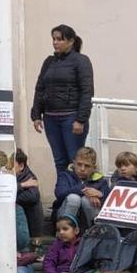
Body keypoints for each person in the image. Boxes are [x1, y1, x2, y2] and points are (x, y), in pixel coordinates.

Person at [31, 24, 95, 173]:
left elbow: (87, 91)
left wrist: (81, 119)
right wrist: (36, 115)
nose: (55, 42)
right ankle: (63, 188)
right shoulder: (49, 62)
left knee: (75, 160)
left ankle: (76, 188)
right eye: (53, 39)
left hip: (71, 117)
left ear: (71, 41)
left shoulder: (81, 61)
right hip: (50, 118)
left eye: (59, 39)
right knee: (59, 160)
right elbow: (40, 88)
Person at [53, 146, 109, 224]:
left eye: (87, 166)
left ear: (93, 167)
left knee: (87, 200)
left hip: (87, 219)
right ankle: (66, 230)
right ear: (74, 163)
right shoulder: (65, 175)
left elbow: (110, 201)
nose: (82, 169)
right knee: (74, 198)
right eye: (79, 164)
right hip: (64, 215)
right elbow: (59, 194)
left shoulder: (100, 180)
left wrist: (100, 194)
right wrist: (87, 191)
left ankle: (95, 230)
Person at [14, 149, 45, 239]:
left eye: (10, 163)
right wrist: (21, 185)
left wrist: (8, 197)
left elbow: (32, 196)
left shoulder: (29, 176)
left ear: (21, 166)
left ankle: (35, 239)